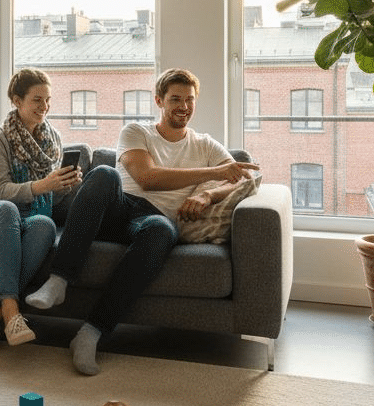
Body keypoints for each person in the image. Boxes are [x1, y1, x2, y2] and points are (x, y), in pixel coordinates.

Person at [25, 68, 258, 374]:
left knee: (163, 229)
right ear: (159, 100)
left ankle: (90, 333)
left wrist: (207, 196)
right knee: (105, 174)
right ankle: (58, 281)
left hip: (152, 221)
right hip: (118, 209)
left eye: (189, 100)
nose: (183, 106)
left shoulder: (205, 144)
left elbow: (243, 175)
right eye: (175, 99)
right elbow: (147, 178)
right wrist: (213, 173)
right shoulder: (136, 132)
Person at [0, 68, 82, 357]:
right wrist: (44, 184)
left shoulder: (51, 138)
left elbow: (49, 195)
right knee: (7, 210)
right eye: (37, 100)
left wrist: (66, 184)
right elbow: (1, 190)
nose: (45, 107)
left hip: (28, 216)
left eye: (48, 100)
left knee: (43, 223)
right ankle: (12, 311)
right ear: (17, 100)